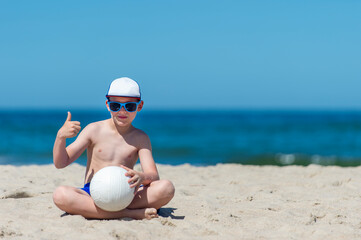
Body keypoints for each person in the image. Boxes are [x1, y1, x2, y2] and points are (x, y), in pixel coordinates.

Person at [52, 77, 175, 220]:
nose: (122, 111)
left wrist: (141, 177)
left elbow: (153, 175)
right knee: (60, 195)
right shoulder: (94, 130)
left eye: (129, 106)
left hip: (127, 193)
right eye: (116, 106)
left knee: (166, 188)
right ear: (107, 105)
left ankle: (104, 212)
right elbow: (61, 162)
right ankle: (128, 213)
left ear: (139, 106)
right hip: (94, 193)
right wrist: (60, 137)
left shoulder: (140, 138)